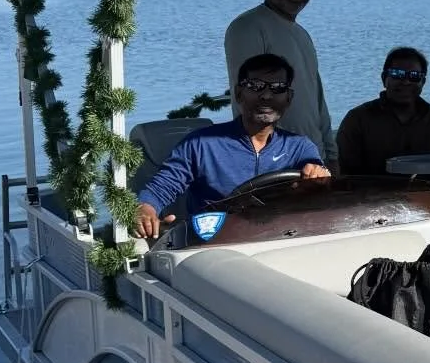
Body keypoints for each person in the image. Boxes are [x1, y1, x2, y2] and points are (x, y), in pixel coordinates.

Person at [134, 54, 329, 239]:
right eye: (256, 86)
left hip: (281, 241)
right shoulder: (201, 144)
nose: (266, 95)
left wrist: (319, 178)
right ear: (238, 93)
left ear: (288, 98)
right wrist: (145, 209)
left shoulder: (300, 148)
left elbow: (318, 180)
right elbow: (159, 189)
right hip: (213, 245)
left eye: (278, 88)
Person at [224, 0, 337, 165]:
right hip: (272, 162)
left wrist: (331, 155)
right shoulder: (248, 27)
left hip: (312, 160)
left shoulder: (302, 34)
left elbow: (318, 102)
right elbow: (249, 100)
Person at [336, 46, 430, 178]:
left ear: (423, 82)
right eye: (398, 74)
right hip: (372, 196)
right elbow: (344, 174)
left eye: (414, 76)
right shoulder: (357, 120)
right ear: (384, 78)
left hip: (428, 196)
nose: (406, 81)